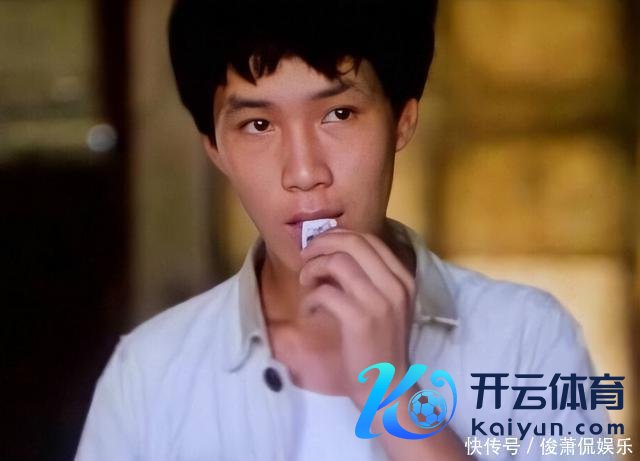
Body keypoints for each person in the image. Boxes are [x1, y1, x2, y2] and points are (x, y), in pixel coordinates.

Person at [76, 1, 612, 460]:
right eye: (258, 125)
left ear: (402, 120)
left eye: (338, 114)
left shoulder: (527, 337)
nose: (304, 171)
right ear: (216, 151)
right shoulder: (148, 373)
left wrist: (393, 394)